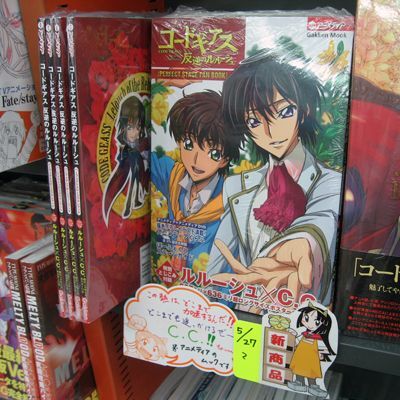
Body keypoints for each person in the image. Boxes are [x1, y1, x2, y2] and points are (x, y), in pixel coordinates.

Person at [208, 50, 342, 305]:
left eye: (285, 112)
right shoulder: (236, 186)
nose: (271, 131)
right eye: (254, 121)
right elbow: (218, 261)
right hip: (249, 310)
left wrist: (304, 242)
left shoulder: (330, 182)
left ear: (303, 111)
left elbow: (321, 219)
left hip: (305, 315)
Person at [152, 90, 241, 269]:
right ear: (179, 142)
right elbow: (143, 154)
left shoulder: (231, 200)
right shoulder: (173, 175)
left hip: (212, 282)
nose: (196, 160)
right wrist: (166, 84)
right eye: (188, 144)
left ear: (224, 159)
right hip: (169, 280)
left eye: (213, 153)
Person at [103, 95, 149, 225]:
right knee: (132, 178)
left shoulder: (140, 142)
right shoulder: (125, 144)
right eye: (130, 128)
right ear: (123, 127)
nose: (135, 133)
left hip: (137, 162)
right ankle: (130, 204)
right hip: (129, 161)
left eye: (138, 127)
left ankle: (135, 200)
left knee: (137, 178)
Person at [288, 303, 335, 397]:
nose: (310, 324)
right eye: (306, 318)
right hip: (300, 356)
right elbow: (297, 340)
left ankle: (313, 386)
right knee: (299, 368)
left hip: (312, 358)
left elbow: (323, 347)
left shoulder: (319, 338)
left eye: (317, 322)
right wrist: (293, 336)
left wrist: (322, 354)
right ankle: (299, 382)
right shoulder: (304, 333)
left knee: (311, 371)